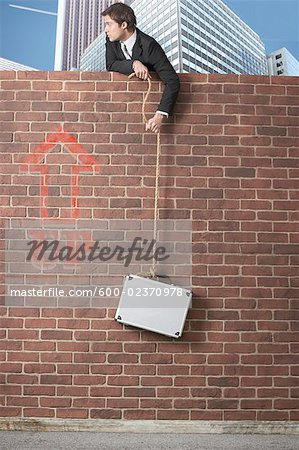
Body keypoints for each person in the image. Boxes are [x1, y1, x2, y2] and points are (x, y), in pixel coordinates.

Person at [101, 2, 180, 134]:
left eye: (109, 24)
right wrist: (133, 63)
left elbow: (172, 81)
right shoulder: (111, 40)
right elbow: (111, 64)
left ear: (124, 25)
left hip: (148, 102)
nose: (106, 29)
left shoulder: (149, 46)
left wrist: (159, 115)